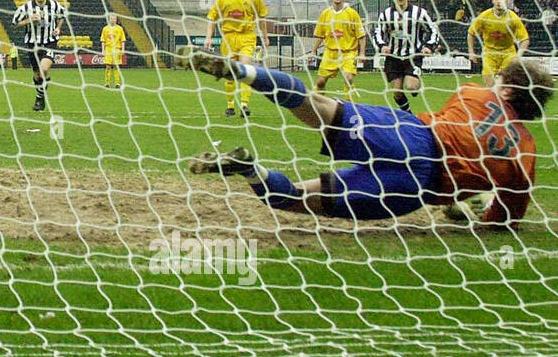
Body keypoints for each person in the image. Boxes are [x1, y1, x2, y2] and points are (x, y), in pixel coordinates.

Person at [180, 48, 552, 225]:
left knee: (317, 104)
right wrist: (463, 208)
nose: (494, 80)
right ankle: (247, 168)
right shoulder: (526, 154)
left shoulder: (476, 93)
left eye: (501, 77)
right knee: (293, 199)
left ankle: (244, 72)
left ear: (506, 91)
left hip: (411, 134)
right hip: (417, 186)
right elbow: (503, 221)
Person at [204, 0, 269, 117]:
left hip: (247, 36)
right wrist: (209, 37)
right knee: (229, 72)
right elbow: (212, 18)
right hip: (228, 38)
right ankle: (230, 105)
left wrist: (264, 36)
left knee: (245, 69)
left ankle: (245, 105)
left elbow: (262, 17)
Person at [370, 0, 440, 111]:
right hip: (393, 57)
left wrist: (428, 46)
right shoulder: (386, 14)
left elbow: (433, 29)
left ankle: (416, 83)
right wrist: (382, 46)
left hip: (413, 55)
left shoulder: (419, 13)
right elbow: (378, 32)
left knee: (411, 87)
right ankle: (408, 114)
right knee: (397, 91)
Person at [12, 0, 67, 112]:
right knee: (37, 75)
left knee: (44, 68)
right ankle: (41, 96)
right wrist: (28, 20)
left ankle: (39, 98)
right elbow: (14, 23)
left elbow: (62, 15)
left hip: (49, 42)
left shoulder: (54, 5)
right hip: (32, 43)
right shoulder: (26, 7)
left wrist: (58, 28)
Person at [310, 0, 366, 102]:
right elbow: (320, 35)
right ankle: (318, 105)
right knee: (320, 82)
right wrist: (313, 51)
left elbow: (361, 35)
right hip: (330, 53)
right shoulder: (325, 14)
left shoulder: (352, 14)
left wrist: (362, 53)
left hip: (348, 53)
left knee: (348, 78)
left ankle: (349, 105)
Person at [468, 0, 529, 86]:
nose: (499, 2)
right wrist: (471, 52)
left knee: (506, 85)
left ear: (507, 1)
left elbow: (525, 39)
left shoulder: (513, 17)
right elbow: (471, 33)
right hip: (489, 53)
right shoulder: (484, 16)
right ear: (492, 0)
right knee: (489, 85)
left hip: (508, 53)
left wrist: (518, 55)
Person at [100, 13, 126, 88]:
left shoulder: (120, 29)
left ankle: (117, 83)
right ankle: (107, 83)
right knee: (108, 66)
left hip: (117, 49)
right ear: (109, 19)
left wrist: (123, 49)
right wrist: (103, 50)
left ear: (116, 20)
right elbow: (103, 40)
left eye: (114, 19)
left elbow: (123, 40)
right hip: (108, 49)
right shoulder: (105, 29)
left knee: (116, 66)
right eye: (111, 18)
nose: (113, 20)